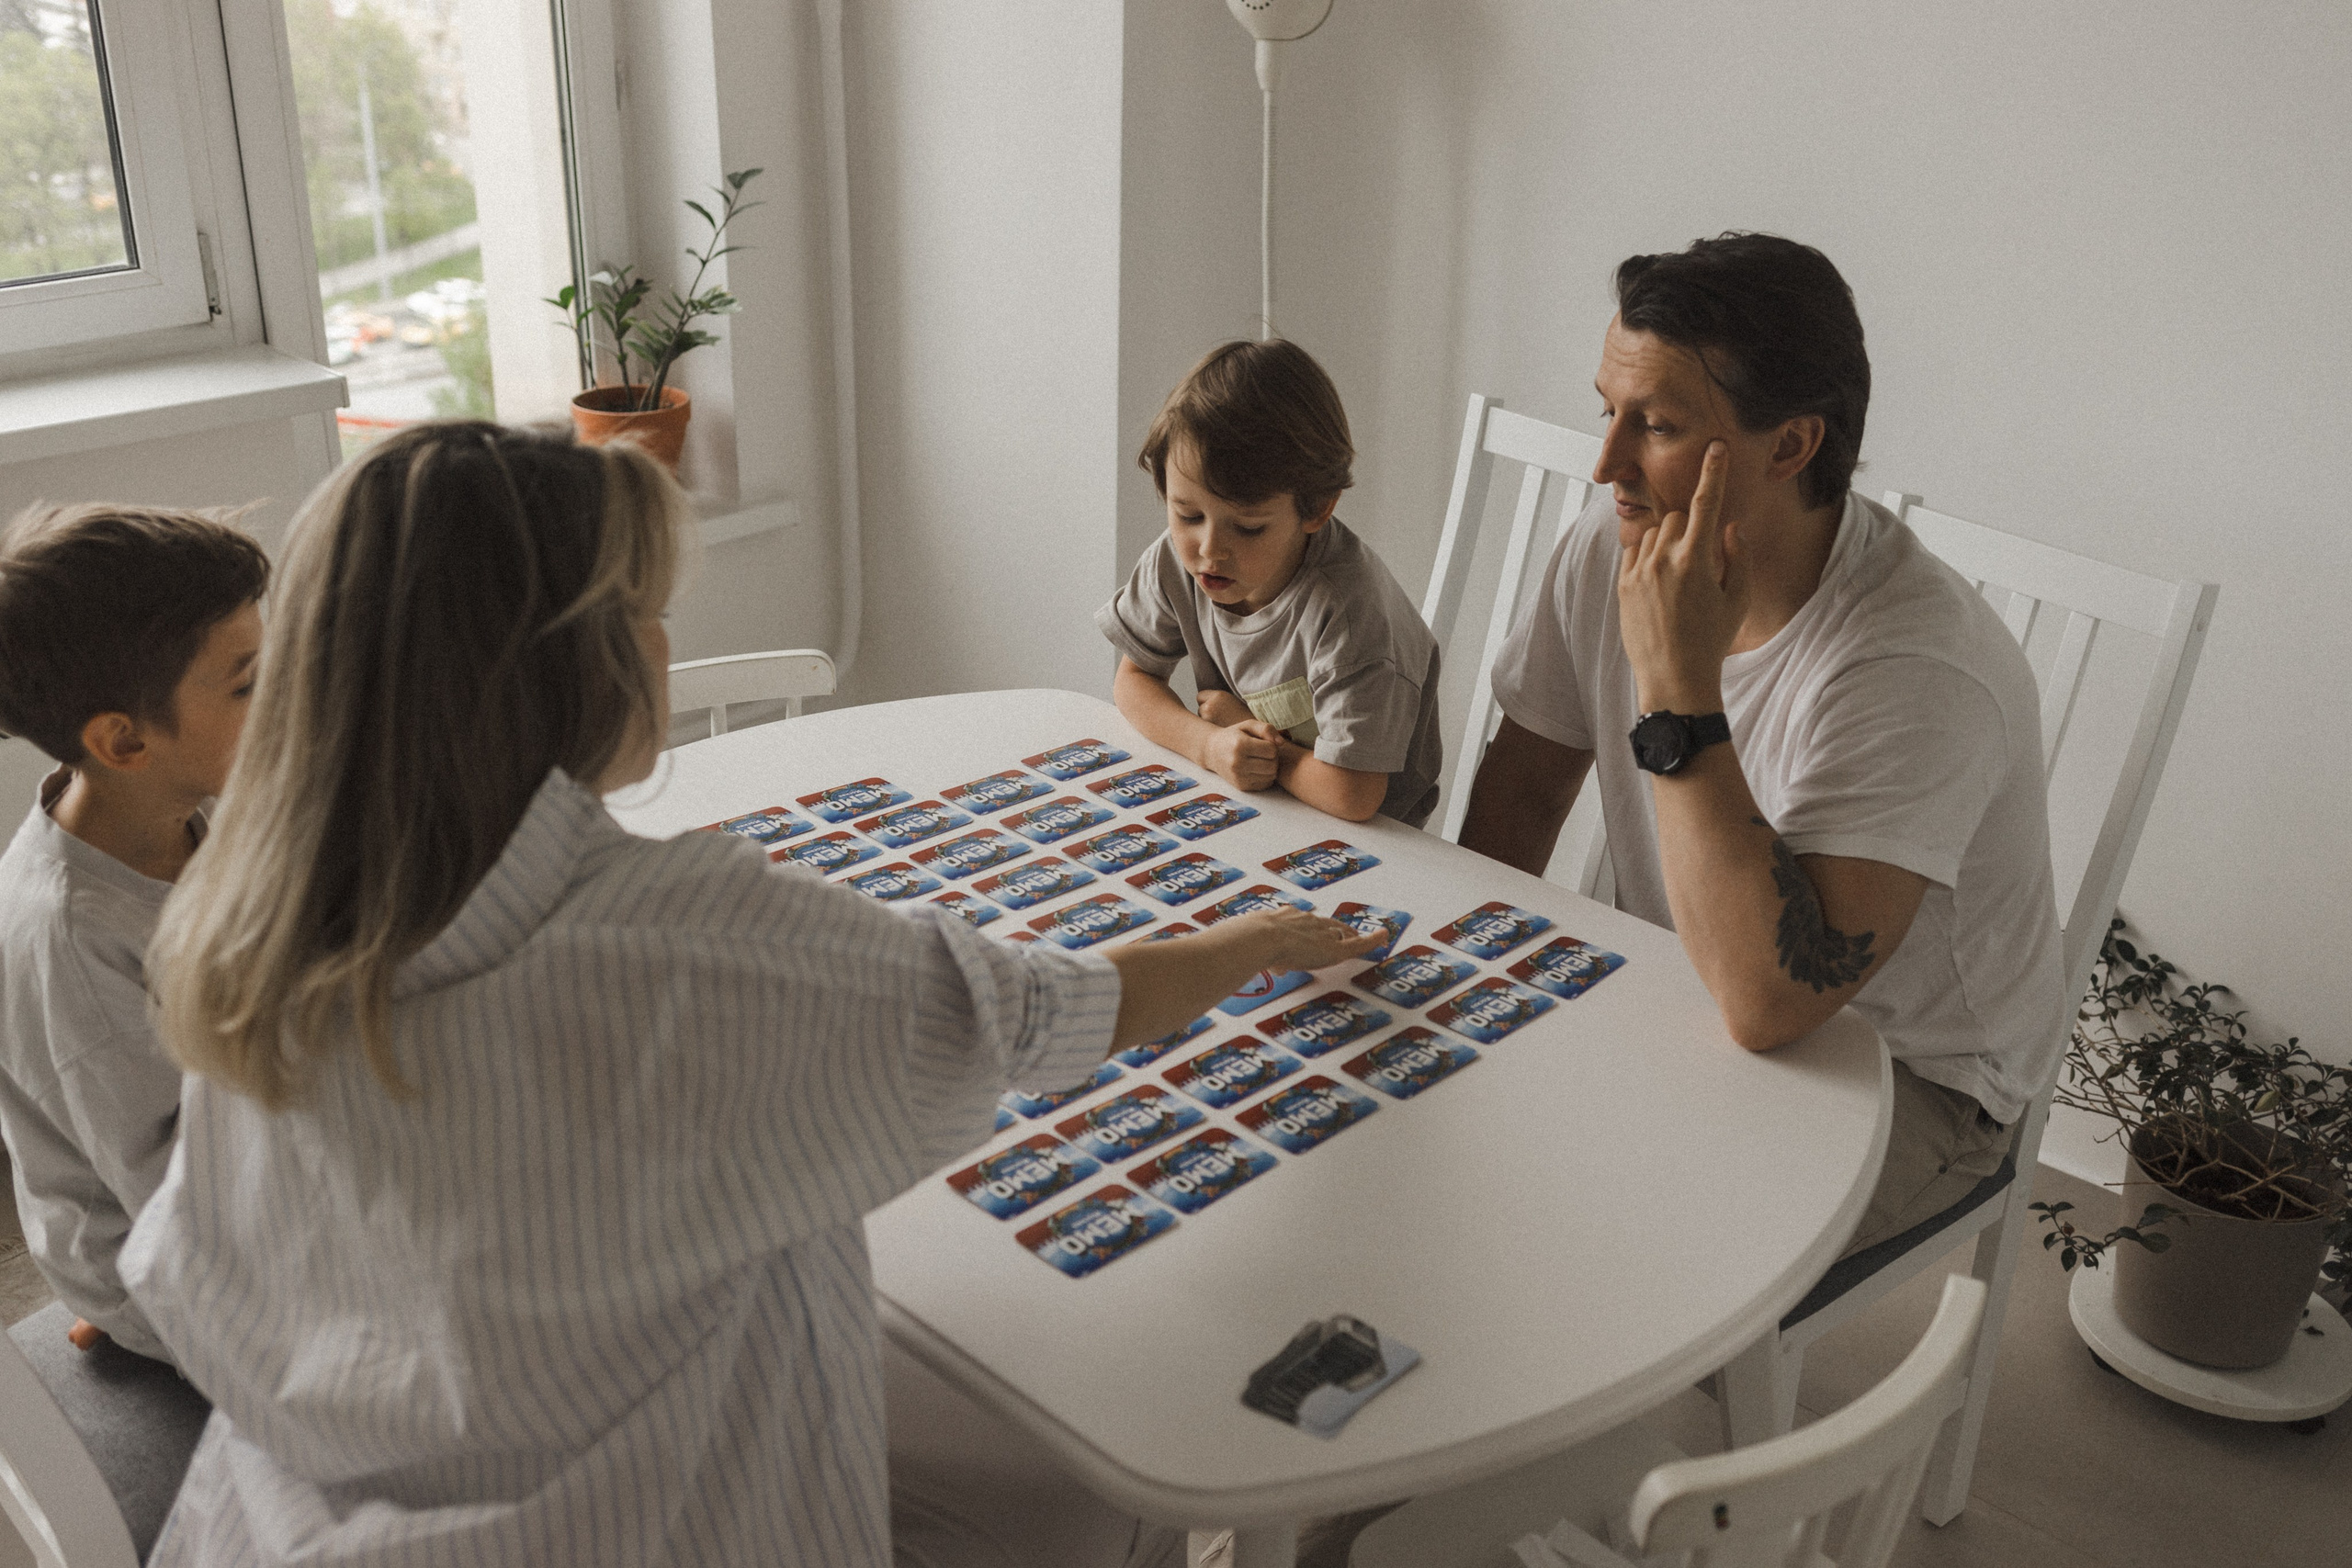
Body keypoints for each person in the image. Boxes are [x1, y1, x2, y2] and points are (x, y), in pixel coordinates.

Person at [119, 423, 1377, 1568]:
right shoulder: (690, 936)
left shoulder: (243, 924)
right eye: (648, 611)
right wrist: (1251, 941)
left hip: (288, 1522)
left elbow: (179, 1276)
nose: (669, 644)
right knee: (1125, 1471)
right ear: (568, 662)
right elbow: (1036, 1015)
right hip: (656, 1523)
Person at [1459, 234, 2066, 1256]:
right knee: (1443, 1147)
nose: (1605, 465)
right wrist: (1460, 1005)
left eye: (1652, 425)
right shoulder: (1609, 542)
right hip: (1677, 977)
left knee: (1608, 1252)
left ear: (1789, 447)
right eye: (1605, 413)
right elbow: (1516, 805)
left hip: (1912, 1073)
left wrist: (1677, 690)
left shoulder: (1918, 668)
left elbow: (1767, 1002)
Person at [0, 502, 267, 1366]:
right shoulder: (71, 939)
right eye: (246, 682)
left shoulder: (194, 796)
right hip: (183, 1265)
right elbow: (179, 1199)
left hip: (254, 1145)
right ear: (123, 741)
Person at [1098, 339, 1443, 826]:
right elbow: (1133, 681)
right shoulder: (1178, 561)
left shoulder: (1348, 613)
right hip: (1255, 803)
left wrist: (1243, 730)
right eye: (1188, 514)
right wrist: (1209, 745)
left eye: (1249, 527)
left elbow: (1354, 795)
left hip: (1373, 840)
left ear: (1317, 508)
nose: (1209, 549)